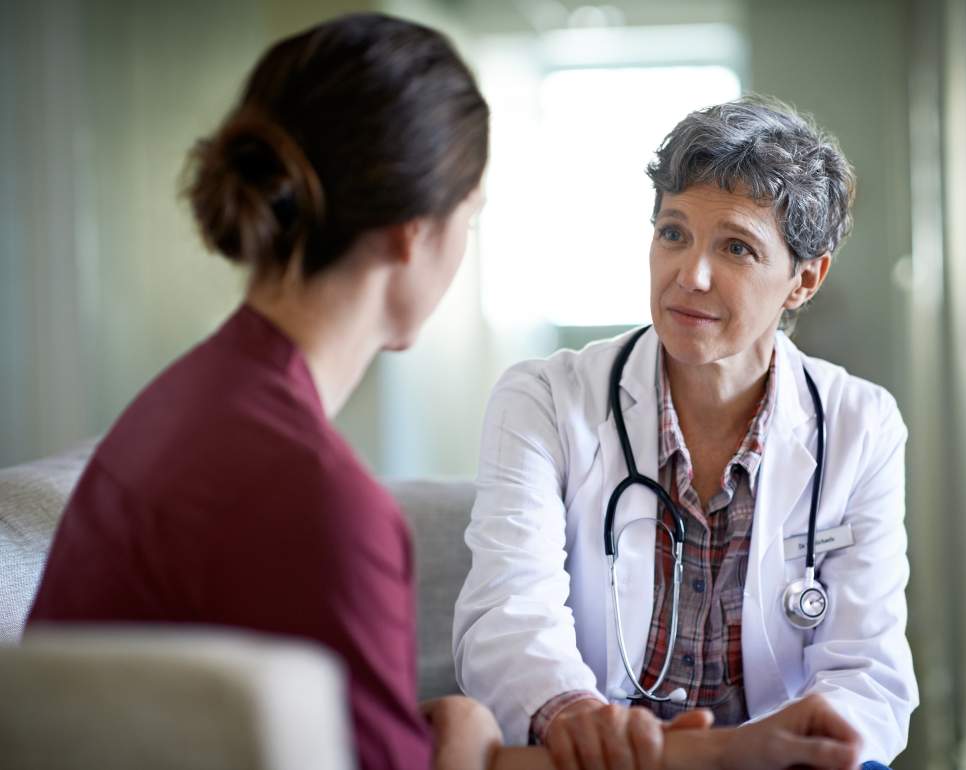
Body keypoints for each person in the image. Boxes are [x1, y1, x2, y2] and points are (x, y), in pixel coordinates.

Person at [24, 16, 862, 770]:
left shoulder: (189, 401)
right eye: (473, 213)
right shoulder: (316, 504)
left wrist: (463, 733)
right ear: (411, 233)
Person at [453, 96, 919, 770]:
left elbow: (865, 670)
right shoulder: (545, 401)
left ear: (803, 280)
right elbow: (506, 617)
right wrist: (574, 714)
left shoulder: (860, 425)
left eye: (736, 247)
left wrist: (820, 746)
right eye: (673, 232)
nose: (689, 275)